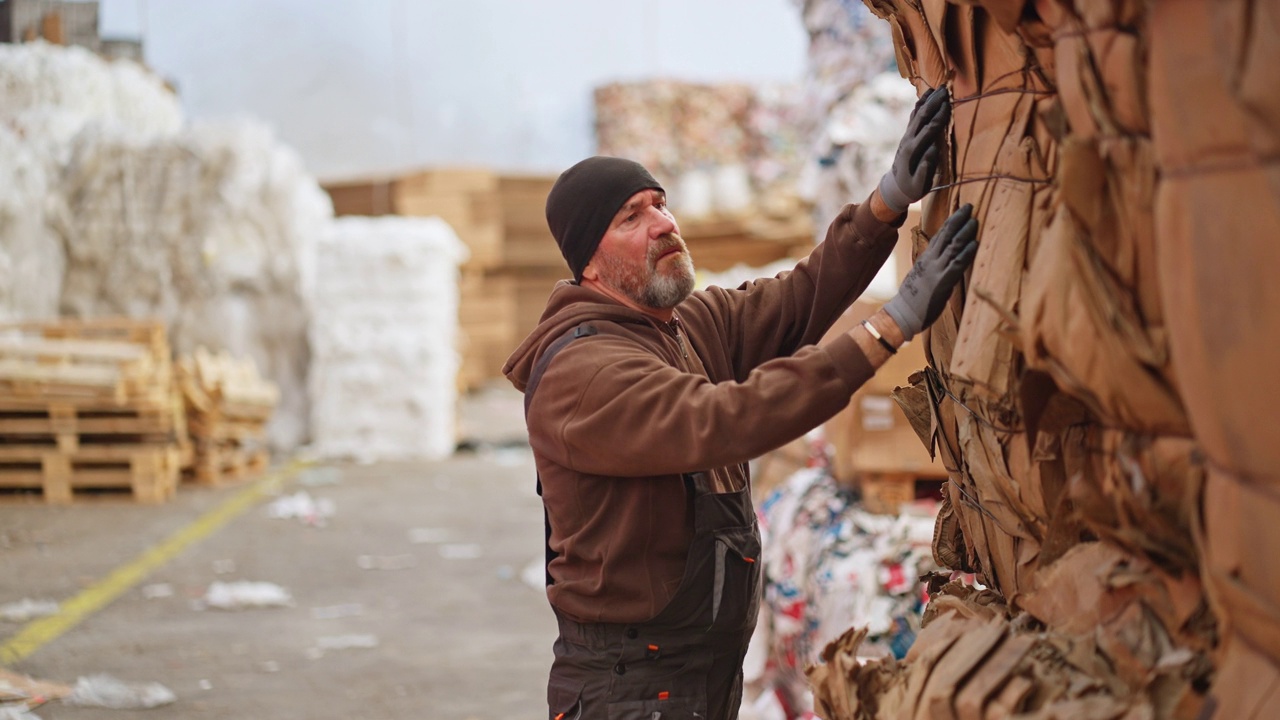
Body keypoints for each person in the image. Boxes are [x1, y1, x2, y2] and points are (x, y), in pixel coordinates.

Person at [504, 87, 976, 720]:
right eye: (631, 219)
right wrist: (888, 329)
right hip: (631, 691)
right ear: (589, 262)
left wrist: (886, 203)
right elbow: (724, 419)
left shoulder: (683, 326)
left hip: (698, 676)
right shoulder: (583, 374)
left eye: (659, 204)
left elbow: (796, 299)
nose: (664, 224)